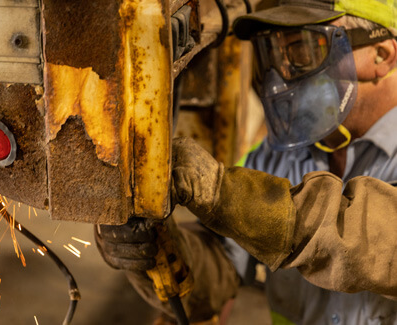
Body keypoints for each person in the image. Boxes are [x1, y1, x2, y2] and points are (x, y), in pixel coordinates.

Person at [96, 0, 397, 324]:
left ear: (381, 54)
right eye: (273, 55)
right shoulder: (276, 157)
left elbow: (378, 239)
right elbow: (217, 274)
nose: (281, 78)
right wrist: (156, 251)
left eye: (300, 52)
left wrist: (233, 197)